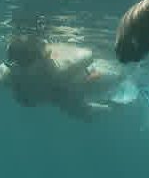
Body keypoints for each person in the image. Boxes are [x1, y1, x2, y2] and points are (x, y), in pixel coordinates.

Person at [0, 33, 128, 120]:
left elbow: (89, 56)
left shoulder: (60, 70)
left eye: (24, 61)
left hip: (69, 88)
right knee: (83, 114)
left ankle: (116, 100)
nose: (17, 66)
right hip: (58, 95)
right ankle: (113, 105)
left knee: (84, 111)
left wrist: (59, 52)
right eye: (15, 62)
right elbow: (88, 55)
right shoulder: (9, 73)